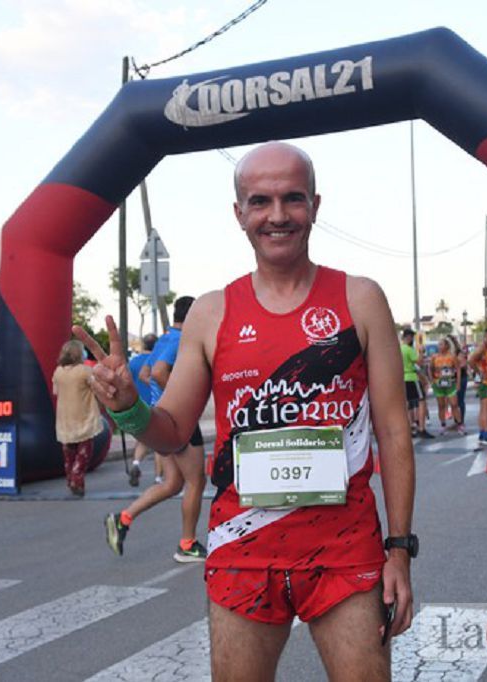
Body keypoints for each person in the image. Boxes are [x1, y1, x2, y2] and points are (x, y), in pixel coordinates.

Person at [75, 142, 415, 681]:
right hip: (242, 553)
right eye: (260, 201)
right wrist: (127, 407)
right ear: (239, 214)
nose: (277, 215)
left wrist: (399, 550)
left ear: (315, 205)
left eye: (292, 199)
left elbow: (394, 432)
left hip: (346, 552)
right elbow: (172, 431)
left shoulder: (360, 299)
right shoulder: (213, 313)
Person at [103, 296, 208, 563]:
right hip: (179, 417)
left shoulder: (164, 339)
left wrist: (160, 398)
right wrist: (184, 391)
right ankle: (187, 544)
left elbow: (145, 374)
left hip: (161, 418)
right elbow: (159, 372)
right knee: (196, 481)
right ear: (193, 314)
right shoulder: (179, 340)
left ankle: (123, 518)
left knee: (173, 483)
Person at [52, 340, 104, 497]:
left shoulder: (58, 372)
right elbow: (97, 388)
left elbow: (55, 391)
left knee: (69, 454)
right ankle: (77, 477)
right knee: (84, 452)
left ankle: (71, 479)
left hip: (64, 417)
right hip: (83, 416)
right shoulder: (85, 371)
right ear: (78, 354)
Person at [125, 333, 158, 486]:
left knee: (143, 439)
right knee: (159, 443)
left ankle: (136, 463)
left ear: (144, 345)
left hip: (139, 405)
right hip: (156, 404)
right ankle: (159, 478)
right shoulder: (158, 361)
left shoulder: (133, 363)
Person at [401, 328, 434, 439]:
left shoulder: (399, 349)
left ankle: (410, 427)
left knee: (408, 404)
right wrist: (421, 352)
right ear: (408, 337)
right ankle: (421, 428)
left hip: (403, 378)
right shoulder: (409, 350)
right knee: (421, 401)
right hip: (411, 376)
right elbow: (419, 362)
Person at [468, 328, 487, 445]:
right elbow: (470, 360)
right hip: (485, 382)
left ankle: (483, 432)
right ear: (485, 337)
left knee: (485, 408)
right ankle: (485, 433)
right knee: (486, 408)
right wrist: (478, 372)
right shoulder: (482, 348)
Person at [430, 337, 463, 432]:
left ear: (446, 346)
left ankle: (459, 423)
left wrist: (458, 382)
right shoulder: (434, 357)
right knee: (441, 405)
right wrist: (432, 380)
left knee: (454, 404)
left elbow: (458, 369)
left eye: (441, 344)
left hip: (450, 383)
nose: (439, 346)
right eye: (438, 344)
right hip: (438, 384)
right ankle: (443, 424)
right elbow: (430, 368)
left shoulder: (452, 356)